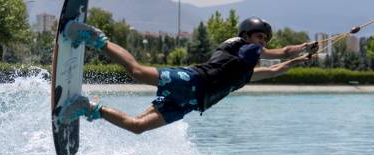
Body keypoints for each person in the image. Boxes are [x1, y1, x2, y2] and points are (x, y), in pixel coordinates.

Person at [58, 17, 318, 134]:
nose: (262, 42)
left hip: (191, 103)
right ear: (247, 35)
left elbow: (276, 68)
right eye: (260, 36)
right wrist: (304, 46)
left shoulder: (245, 73)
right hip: (192, 79)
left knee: (137, 127)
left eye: (265, 39)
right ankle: (94, 38)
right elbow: (279, 53)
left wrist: (302, 60)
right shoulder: (240, 45)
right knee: (137, 72)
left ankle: (87, 107)